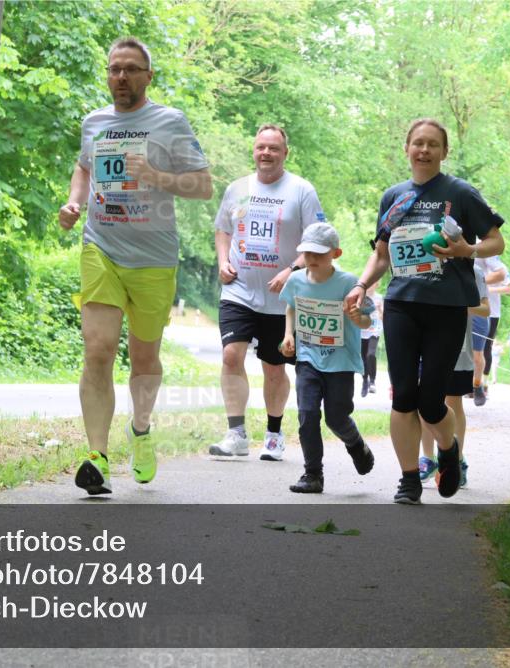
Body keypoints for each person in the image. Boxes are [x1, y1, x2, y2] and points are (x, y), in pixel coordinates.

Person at [59, 37, 212, 495]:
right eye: (113, 69)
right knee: (98, 350)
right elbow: (84, 168)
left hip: (154, 258)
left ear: (148, 75)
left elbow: (202, 185)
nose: (120, 76)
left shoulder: (170, 122)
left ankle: (140, 431)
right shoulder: (94, 122)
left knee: (143, 359)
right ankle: (97, 458)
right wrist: (73, 202)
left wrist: (158, 177)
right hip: (101, 248)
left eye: (130, 69)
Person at [344, 118, 505, 504]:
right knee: (403, 397)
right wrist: (361, 284)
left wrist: (468, 250)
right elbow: (381, 256)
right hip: (402, 304)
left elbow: (496, 242)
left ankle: (448, 451)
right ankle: (409, 480)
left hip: (447, 306)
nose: (424, 150)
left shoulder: (461, 193)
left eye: (433, 144)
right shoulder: (394, 197)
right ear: (407, 149)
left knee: (432, 400)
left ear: (444, 152)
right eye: (418, 143)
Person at [208, 124, 325, 461]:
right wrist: (221, 262)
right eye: (261, 147)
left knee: (274, 368)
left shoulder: (302, 191)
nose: (266, 153)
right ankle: (236, 434)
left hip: (282, 299)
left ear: (285, 153)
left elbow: (318, 242)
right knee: (231, 355)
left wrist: (293, 270)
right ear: (254, 150)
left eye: (274, 148)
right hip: (239, 290)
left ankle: (274, 434)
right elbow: (222, 229)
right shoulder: (237, 188)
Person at [279, 223, 375, 493]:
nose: (312, 260)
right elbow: (291, 307)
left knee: (336, 417)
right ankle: (312, 475)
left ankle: (356, 444)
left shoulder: (348, 283)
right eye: (307, 253)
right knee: (307, 415)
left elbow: (368, 319)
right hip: (308, 358)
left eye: (319, 254)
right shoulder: (296, 280)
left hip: (340, 362)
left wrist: (359, 317)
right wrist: (289, 335)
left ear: (336, 253)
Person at [418, 264, 489, 487]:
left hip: (459, 348)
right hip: (425, 344)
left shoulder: (472, 271)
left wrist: (459, 303)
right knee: (424, 401)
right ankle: (427, 459)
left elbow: (485, 309)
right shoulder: (423, 264)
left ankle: (457, 460)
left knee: (452, 402)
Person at [471, 256, 510, 405]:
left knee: (482, 349)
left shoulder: (487, 252)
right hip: (462, 306)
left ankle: (481, 384)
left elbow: (507, 284)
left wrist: (479, 282)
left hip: (489, 310)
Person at [359, 285, 384, 397]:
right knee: (363, 357)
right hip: (362, 331)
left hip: (375, 331)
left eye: (374, 283)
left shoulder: (379, 297)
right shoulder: (360, 297)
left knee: (370, 354)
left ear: (377, 285)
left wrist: (379, 308)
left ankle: (372, 381)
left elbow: (383, 316)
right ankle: (365, 381)